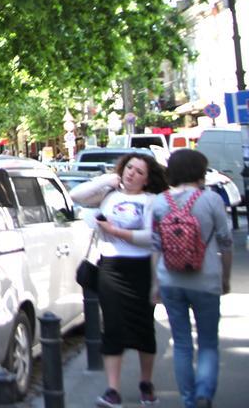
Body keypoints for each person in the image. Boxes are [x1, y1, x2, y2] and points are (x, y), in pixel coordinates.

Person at [71, 152, 168, 407]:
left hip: (141, 268)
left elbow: (151, 236)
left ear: (147, 180)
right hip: (110, 267)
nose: (131, 173)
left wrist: (116, 231)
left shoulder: (152, 201)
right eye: (129, 168)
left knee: (144, 327)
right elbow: (76, 195)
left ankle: (146, 383)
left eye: (139, 171)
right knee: (112, 327)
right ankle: (112, 389)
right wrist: (106, 179)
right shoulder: (109, 195)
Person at [152, 148, 233, 408]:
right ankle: (203, 395)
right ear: (200, 172)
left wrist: (155, 283)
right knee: (208, 343)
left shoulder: (160, 202)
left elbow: (155, 246)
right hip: (206, 278)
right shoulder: (211, 201)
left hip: (171, 280)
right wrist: (225, 278)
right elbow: (226, 243)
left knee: (182, 344)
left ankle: (188, 401)